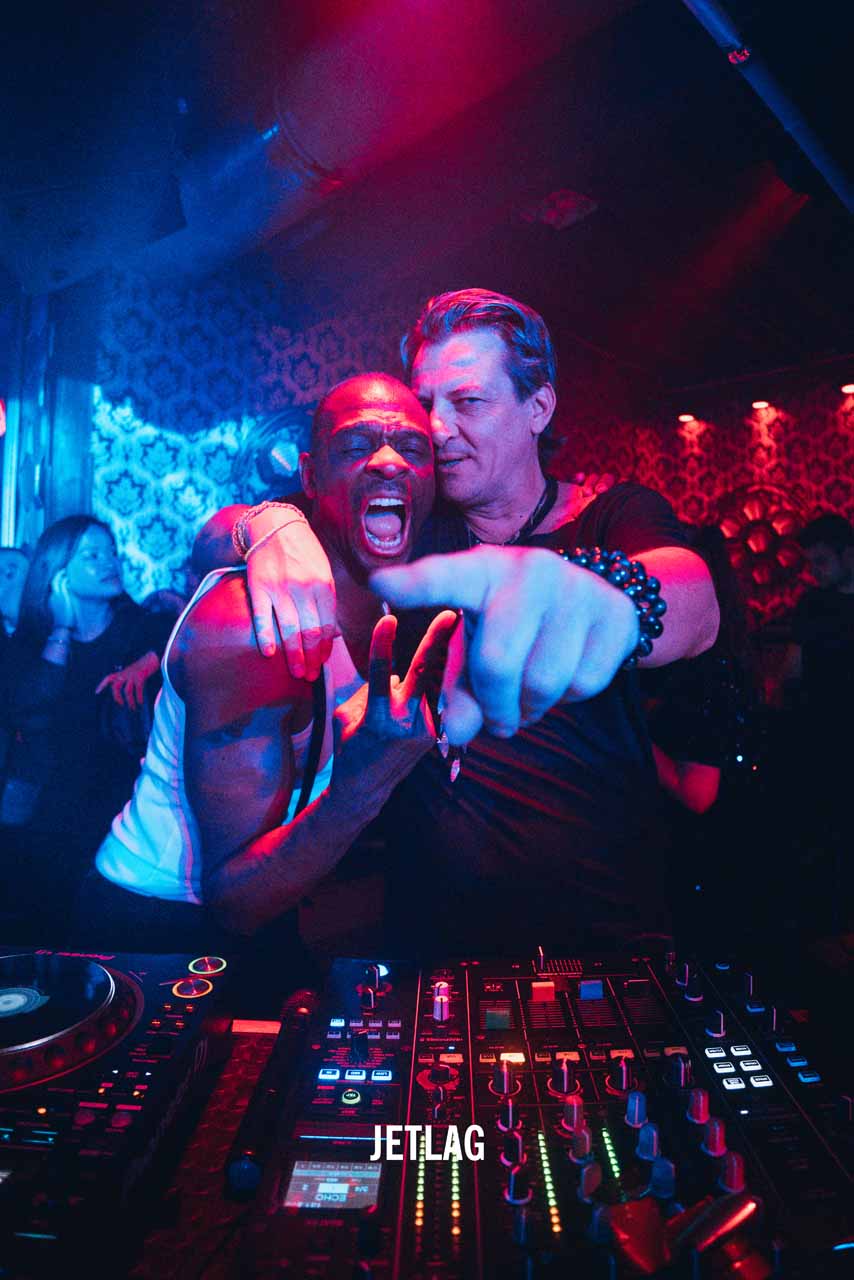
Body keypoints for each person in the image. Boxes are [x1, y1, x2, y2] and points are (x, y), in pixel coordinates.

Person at [226, 288, 720, 954]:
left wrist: (589, 594)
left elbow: (694, 601)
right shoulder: (408, 522)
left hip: (604, 936)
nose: (435, 428)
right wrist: (270, 525)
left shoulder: (611, 516)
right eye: (427, 403)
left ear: (537, 407)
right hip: (428, 943)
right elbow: (224, 528)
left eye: (468, 402)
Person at [69, 375, 455, 970]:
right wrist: (365, 785)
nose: (387, 461)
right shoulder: (249, 628)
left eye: (412, 447)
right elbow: (232, 902)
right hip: (152, 926)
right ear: (310, 477)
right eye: (356, 446)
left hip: (273, 905)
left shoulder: (393, 594)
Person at [0, 517, 172, 943]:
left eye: (110, 551)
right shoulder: (32, 639)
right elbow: (30, 711)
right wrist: (61, 628)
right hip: (50, 815)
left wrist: (149, 661)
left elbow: (180, 637)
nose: (109, 562)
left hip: (124, 813)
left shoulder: (142, 628)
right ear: (57, 570)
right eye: (92, 555)